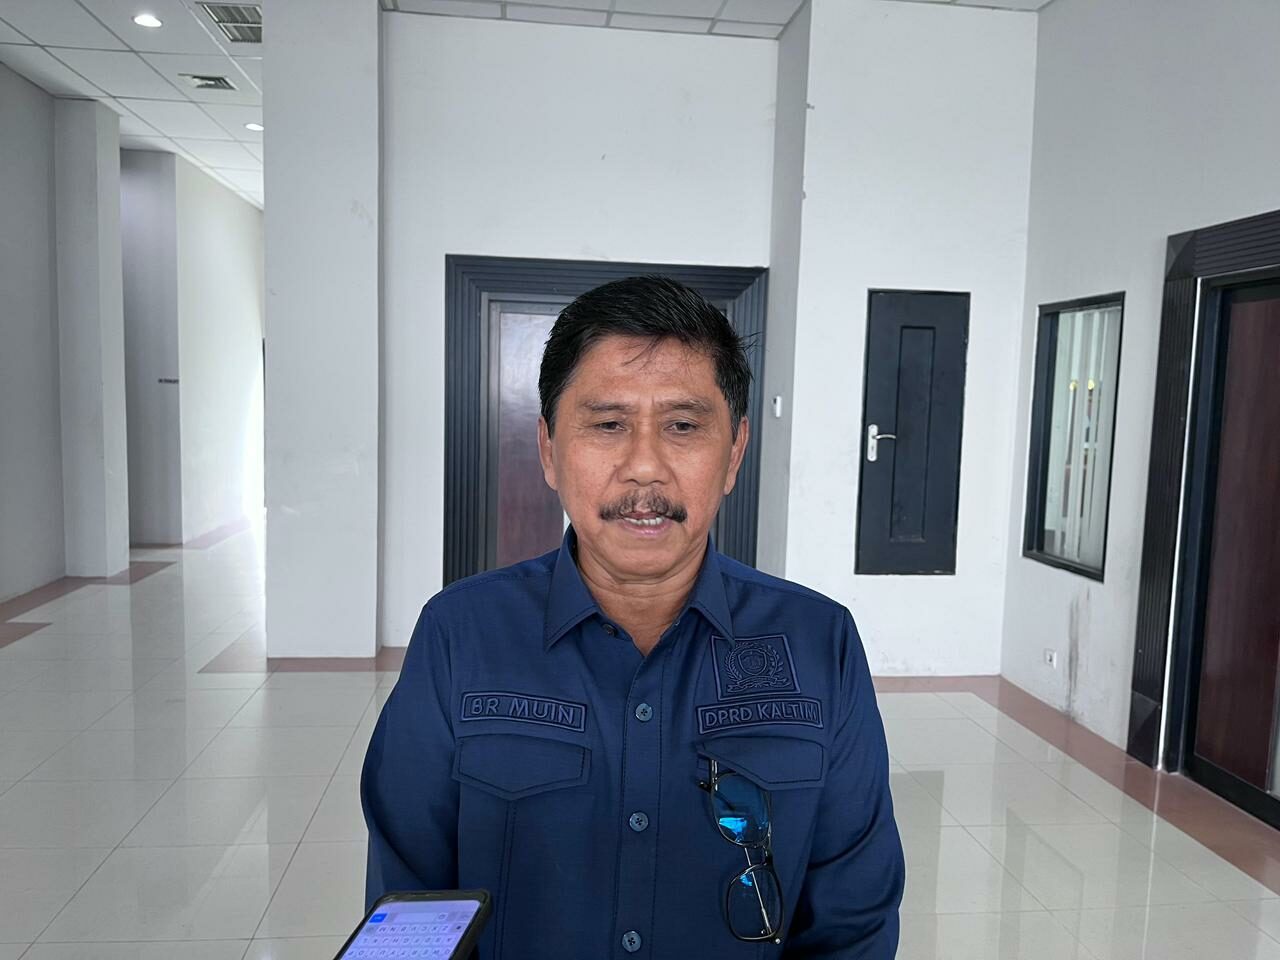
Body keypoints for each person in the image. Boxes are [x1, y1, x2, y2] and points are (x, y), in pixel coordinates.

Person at [362, 275, 904, 958]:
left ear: (734, 453)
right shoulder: (460, 634)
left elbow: (852, 924)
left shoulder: (819, 643)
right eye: (608, 425)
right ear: (550, 449)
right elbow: (409, 916)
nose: (644, 468)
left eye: (683, 426)